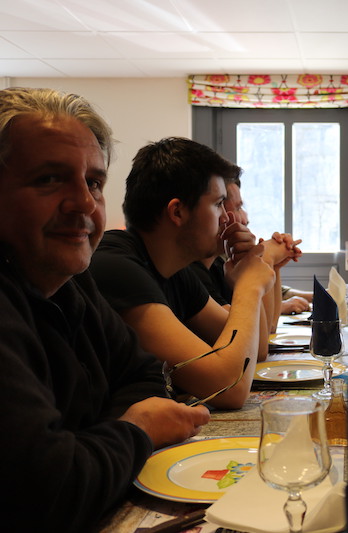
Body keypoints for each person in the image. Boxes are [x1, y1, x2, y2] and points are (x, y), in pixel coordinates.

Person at [0, 87, 209, 531]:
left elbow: (145, 374)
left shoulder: (72, 283)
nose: (84, 203)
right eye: (49, 179)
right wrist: (137, 429)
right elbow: (50, 492)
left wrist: (89, 447)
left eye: (94, 182)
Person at [89, 137, 298, 409]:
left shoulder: (174, 269)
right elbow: (229, 388)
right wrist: (249, 288)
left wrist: (247, 265)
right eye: (218, 204)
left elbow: (255, 350)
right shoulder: (117, 269)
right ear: (177, 212)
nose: (227, 218)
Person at [189, 176, 302, 329]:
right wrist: (266, 257)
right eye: (238, 208)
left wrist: (274, 266)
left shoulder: (218, 266)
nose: (245, 218)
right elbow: (257, 335)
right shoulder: (193, 273)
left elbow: (270, 326)